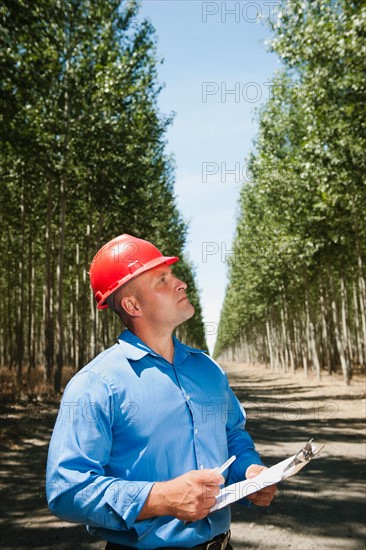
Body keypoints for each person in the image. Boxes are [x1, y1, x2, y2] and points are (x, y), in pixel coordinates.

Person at [46, 234, 276, 550]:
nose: (180, 283)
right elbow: (66, 490)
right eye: (162, 280)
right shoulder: (95, 384)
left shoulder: (207, 370)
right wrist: (161, 498)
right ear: (132, 305)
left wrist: (249, 472)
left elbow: (232, 436)